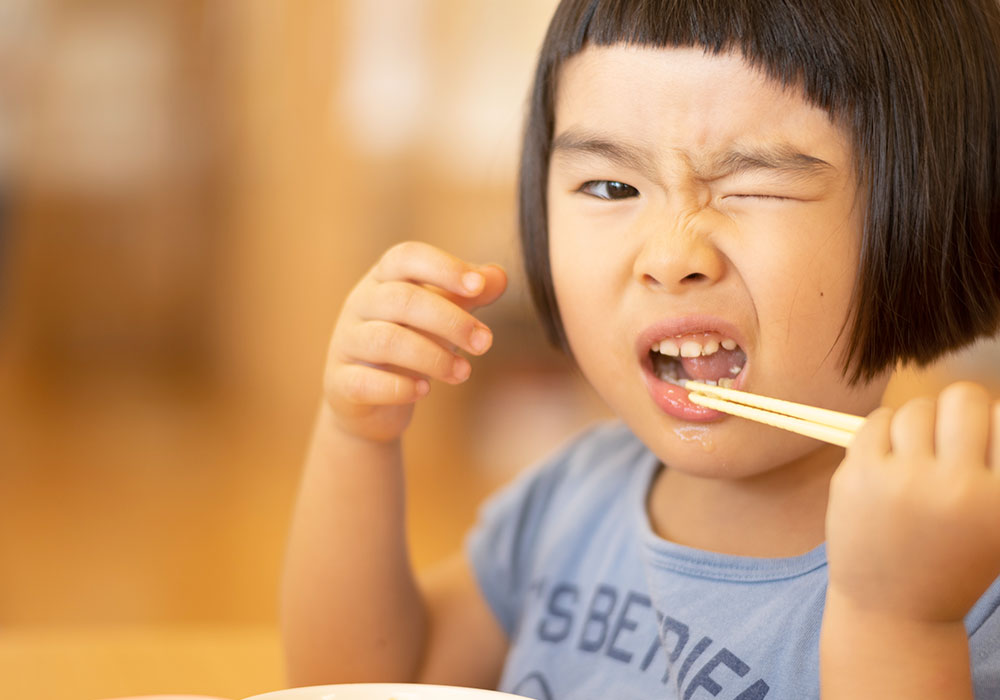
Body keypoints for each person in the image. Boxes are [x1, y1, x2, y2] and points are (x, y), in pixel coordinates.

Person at [280, 1, 1000, 698]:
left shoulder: (970, 564)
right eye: (610, 185)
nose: (669, 256)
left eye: (758, 187)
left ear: (934, 216)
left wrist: (903, 619)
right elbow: (364, 685)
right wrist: (357, 437)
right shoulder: (573, 500)